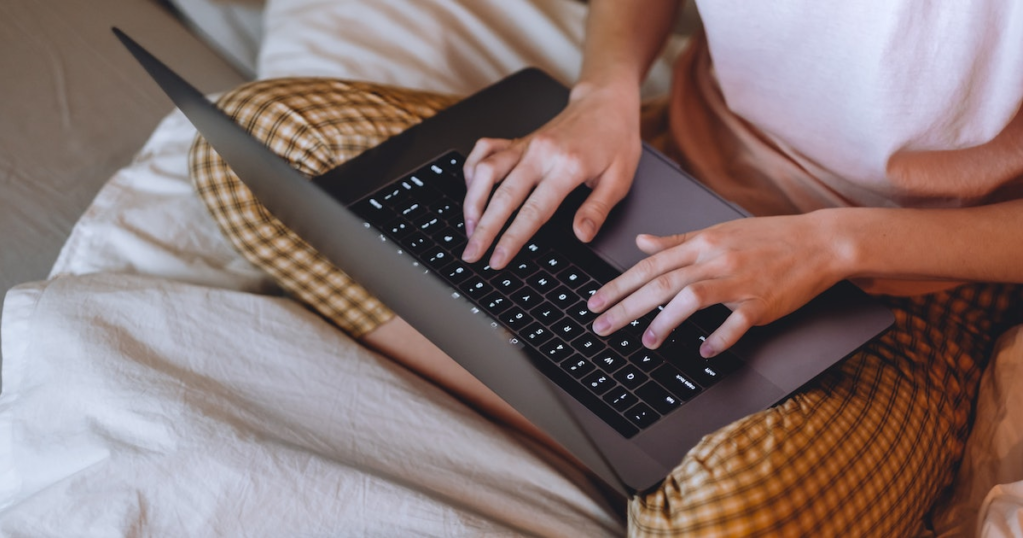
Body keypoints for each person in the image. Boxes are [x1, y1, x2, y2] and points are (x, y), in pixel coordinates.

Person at [189, 1, 1023, 534]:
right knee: (250, 143)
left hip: (903, 281)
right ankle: (614, 423)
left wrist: (832, 243)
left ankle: (598, 410)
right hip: (656, 168)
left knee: (727, 522)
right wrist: (603, 94)